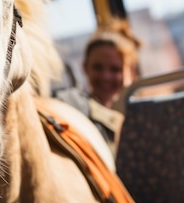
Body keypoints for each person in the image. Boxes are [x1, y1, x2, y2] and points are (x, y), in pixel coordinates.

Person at [54, 20, 141, 156]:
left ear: (131, 73)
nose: (106, 77)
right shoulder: (75, 106)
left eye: (115, 69)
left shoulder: (141, 120)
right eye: (97, 67)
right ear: (85, 67)